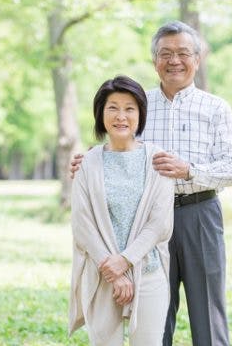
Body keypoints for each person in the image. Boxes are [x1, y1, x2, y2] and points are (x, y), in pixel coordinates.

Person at [70, 21, 232, 346]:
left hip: (199, 214)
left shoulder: (216, 107)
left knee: (208, 312)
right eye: (166, 54)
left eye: (182, 53)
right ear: (154, 61)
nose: (174, 60)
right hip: (143, 221)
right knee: (153, 314)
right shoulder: (138, 105)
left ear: (197, 58)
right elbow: (116, 144)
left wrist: (188, 169)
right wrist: (87, 161)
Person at [69, 75, 175, 346]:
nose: (121, 116)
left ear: (140, 114)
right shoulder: (87, 163)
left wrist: (125, 260)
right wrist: (113, 269)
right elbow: (82, 224)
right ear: (100, 113)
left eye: (129, 108)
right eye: (112, 107)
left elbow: (159, 223)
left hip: (149, 271)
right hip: (101, 273)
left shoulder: (157, 160)